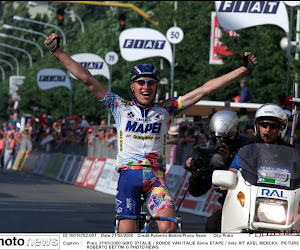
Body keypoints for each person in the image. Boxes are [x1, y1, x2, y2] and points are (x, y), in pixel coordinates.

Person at [44, 33, 257, 233]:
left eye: (151, 83)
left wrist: (243, 70)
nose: (146, 86)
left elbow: (205, 89)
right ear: (133, 87)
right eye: (141, 82)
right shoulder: (119, 107)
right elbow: (88, 80)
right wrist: (57, 51)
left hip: (156, 178)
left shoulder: (167, 108)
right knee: (126, 234)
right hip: (129, 177)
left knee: (169, 227)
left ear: (156, 87)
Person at [185, 110, 252, 232]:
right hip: (229, 203)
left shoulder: (246, 146)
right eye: (218, 137)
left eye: (226, 138)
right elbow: (197, 191)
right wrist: (196, 176)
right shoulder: (208, 149)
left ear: (235, 134)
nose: (221, 141)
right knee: (212, 226)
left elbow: (250, 174)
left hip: (249, 200)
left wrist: (227, 160)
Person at [229, 103, 290, 173]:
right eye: (264, 125)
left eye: (273, 126)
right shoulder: (246, 152)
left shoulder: (290, 154)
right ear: (257, 127)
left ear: (281, 129)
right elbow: (232, 173)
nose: (267, 130)